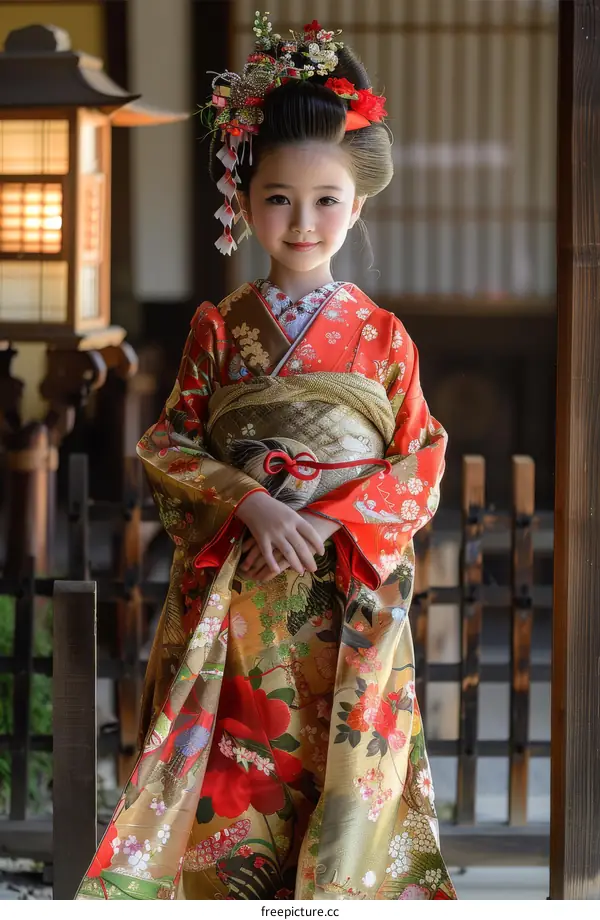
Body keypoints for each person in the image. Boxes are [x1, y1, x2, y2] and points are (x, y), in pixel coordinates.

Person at [76, 14, 455, 901]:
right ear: (244, 204)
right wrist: (252, 503)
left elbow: (422, 456)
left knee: (341, 770)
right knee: (234, 771)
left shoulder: (382, 336)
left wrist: (330, 516)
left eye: (327, 200)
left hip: (344, 587)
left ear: (358, 206)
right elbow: (168, 440)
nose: (303, 219)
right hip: (238, 588)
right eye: (279, 197)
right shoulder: (219, 329)